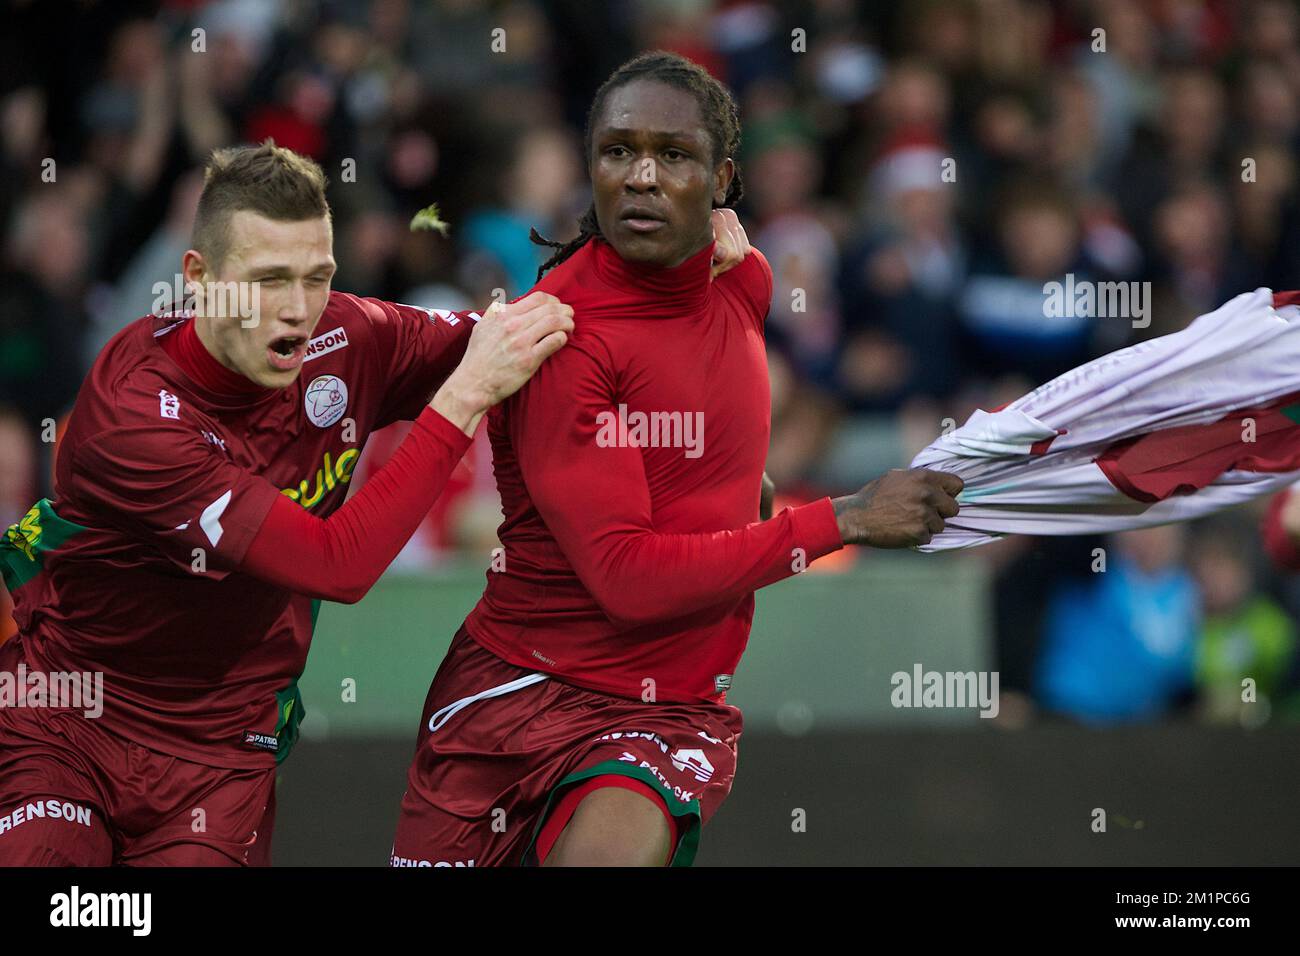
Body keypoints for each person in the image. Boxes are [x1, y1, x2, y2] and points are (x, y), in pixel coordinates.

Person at [0, 141, 752, 867]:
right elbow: (339, 564)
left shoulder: (345, 337)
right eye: (267, 281)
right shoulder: (133, 412)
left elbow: (526, 333)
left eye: (316, 276)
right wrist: (461, 399)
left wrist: (664, 259)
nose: (297, 310)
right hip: (73, 722)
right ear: (199, 277)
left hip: (223, 753)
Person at [390, 52, 962, 868]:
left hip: (660, 714)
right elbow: (629, 578)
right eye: (618, 152)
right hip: (513, 701)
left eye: (676, 155)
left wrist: (733, 493)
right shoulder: (560, 336)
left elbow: (701, 436)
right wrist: (848, 519)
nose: (642, 178)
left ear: (723, 176)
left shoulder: (745, 280)